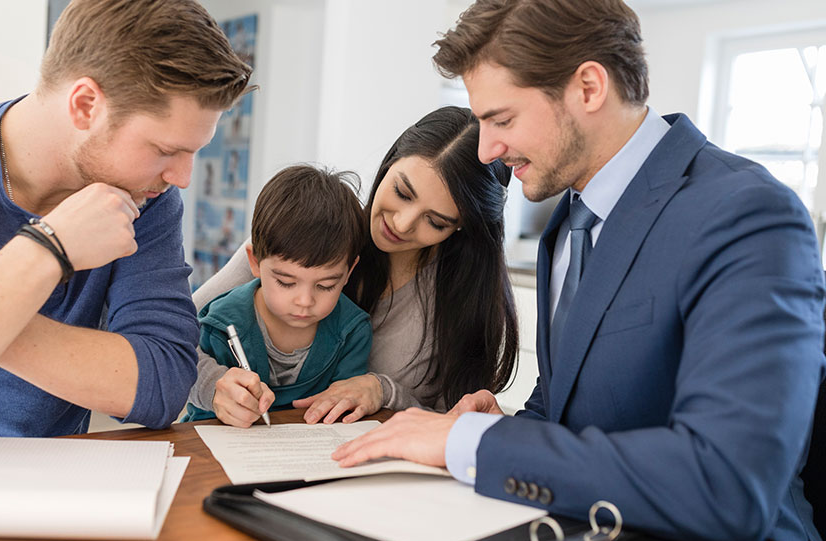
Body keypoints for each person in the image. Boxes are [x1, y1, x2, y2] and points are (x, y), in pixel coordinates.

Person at [332, 1, 826, 540]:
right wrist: (493, 428)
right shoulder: (569, 222)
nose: (487, 151)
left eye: (501, 119)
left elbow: (728, 484)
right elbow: (561, 408)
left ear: (589, 88)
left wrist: (471, 445)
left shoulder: (746, 214)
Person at [0, 0, 252, 468]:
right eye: (164, 149)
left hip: (59, 486)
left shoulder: (146, 199)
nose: (184, 177)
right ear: (85, 104)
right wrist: (50, 250)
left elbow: (165, 383)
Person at [192, 105, 518, 423]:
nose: (403, 224)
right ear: (389, 165)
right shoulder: (301, 239)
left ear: (461, 226)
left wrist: (385, 391)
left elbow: (459, 424)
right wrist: (211, 384)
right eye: (402, 193)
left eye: (435, 221)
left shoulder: (466, 302)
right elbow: (162, 343)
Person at [184, 165, 371, 426]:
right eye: (285, 282)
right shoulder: (220, 323)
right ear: (255, 262)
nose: (305, 301)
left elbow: (344, 415)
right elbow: (195, 404)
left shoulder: (353, 331)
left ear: (349, 272)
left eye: (326, 285)